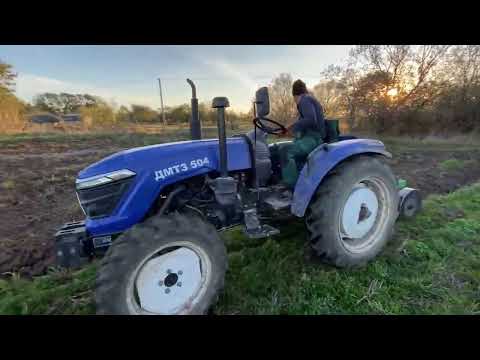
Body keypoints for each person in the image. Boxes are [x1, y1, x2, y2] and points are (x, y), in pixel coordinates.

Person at [280, 79, 327, 188]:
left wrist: (291, 127)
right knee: (281, 147)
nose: (295, 102)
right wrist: (289, 130)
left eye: (294, 99)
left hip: (314, 139)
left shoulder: (305, 100)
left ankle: (292, 187)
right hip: (309, 137)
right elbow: (304, 123)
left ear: (295, 95)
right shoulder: (308, 100)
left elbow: (310, 119)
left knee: (285, 151)